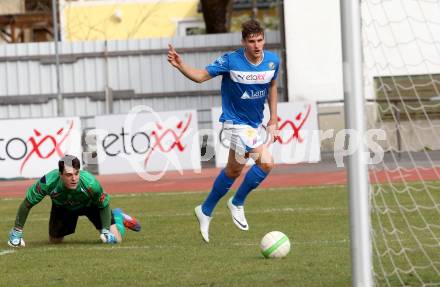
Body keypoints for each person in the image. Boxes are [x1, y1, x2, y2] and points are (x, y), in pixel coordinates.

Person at [168, 19, 279, 242]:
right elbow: (200, 76)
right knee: (266, 162)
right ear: (243, 42)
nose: (257, 46)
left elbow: (272, 86)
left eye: (260, 40)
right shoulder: (231, 60)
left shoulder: (273, 61)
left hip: (253, 125)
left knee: (234, 170)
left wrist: (273, 118)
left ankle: (206, 209)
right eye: (251, 41)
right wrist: (181, 65)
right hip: (234, 124)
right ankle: (237, 202)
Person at [7, 155, 141, 247]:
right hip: (63, 207)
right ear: (60, 174)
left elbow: (104, 204)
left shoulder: (91, 183)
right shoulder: (47, 182)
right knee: (55, 242)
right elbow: (27, 204)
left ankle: (117, 216)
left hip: (90, 205)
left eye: (76, 173)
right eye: (69, 175)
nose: (74, 179)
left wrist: (106, 230)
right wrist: (17, 232)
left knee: (115, 240)